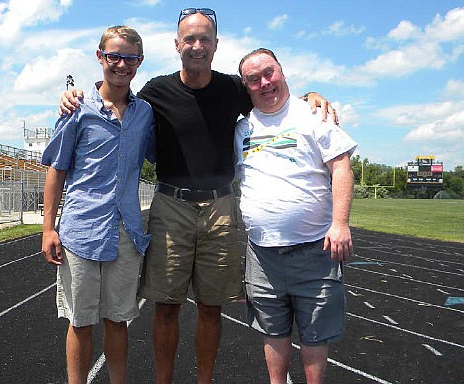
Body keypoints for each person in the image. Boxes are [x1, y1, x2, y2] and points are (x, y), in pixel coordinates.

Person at [58, 9, 338, 384]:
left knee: (210, 308)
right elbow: (115, 98)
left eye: (204, 38)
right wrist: (76, 94)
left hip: (220, 208)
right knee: (166, 308)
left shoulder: (233, 90)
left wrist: (311, 96)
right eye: (189, 38)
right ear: (177, 45)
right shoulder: (156, 91)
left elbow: (273, 95)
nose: (197, 45)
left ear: (216, 45)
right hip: (171, 205)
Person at [234, 48, 356, 384]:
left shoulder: (313, 114)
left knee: (315, 333)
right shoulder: (242, 127)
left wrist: (340, 223)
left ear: (282, 71)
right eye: (253, 79)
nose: (264, 82)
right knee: (272, 331)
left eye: (269, 73)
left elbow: (341, 166)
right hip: (261, 252)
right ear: (246, 86)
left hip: (314, 249)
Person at [41, 26, 154, 384]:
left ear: (140, 62)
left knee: (118, 320)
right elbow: (56, 171)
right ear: (99, 57)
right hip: (81, 231)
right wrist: (48, 229)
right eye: (114, 56)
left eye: (130, 58)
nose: (122, 65)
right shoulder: (76, 109)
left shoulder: (146, 113)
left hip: (126, 232)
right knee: (81, 321)